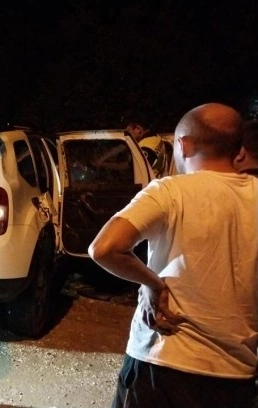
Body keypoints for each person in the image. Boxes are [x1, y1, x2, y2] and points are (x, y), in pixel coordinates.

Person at [89, 103, 258, 408]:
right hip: (235, 375)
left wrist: (153, 283)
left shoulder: (169, 191)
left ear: (184, 145)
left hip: (161, 361)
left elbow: (104, 248)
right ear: (237, 149)